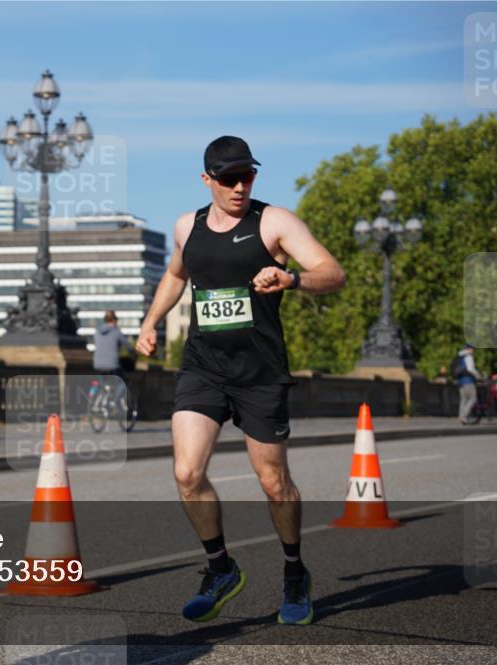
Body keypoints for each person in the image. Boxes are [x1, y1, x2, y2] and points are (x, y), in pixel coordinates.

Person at [135, 136, 346, 626]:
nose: (239, 186)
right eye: (228, 178)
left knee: (274, 483)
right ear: (206, 179)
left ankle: (294, 573)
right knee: (187, 474)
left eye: (247, 175)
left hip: (260, 374)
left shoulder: (274, 222)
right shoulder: (187, 225)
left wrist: (291, 279)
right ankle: (221, 568)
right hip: (203, 367)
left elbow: (332, 273)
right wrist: (151, 322)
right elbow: (174, 275)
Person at [93, 309, 134, 381]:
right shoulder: (116, 331)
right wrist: (134, 354)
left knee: (98, 383)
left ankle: (92, 392)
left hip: (98, 364)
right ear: (114, 320)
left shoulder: (97, 331)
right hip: (113, 365)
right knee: (120, 383)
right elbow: (128, 347)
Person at [455, 343, 482, 424]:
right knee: (473, 399)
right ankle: (464, 416)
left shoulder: (460, 355)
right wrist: (478, 375)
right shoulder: (468, 356)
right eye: (473, 349)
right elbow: (470, 369)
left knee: (463, 400)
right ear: (470, 349)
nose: (473, 351)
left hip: (460, 381)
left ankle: (461, 416)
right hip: (468, 381)